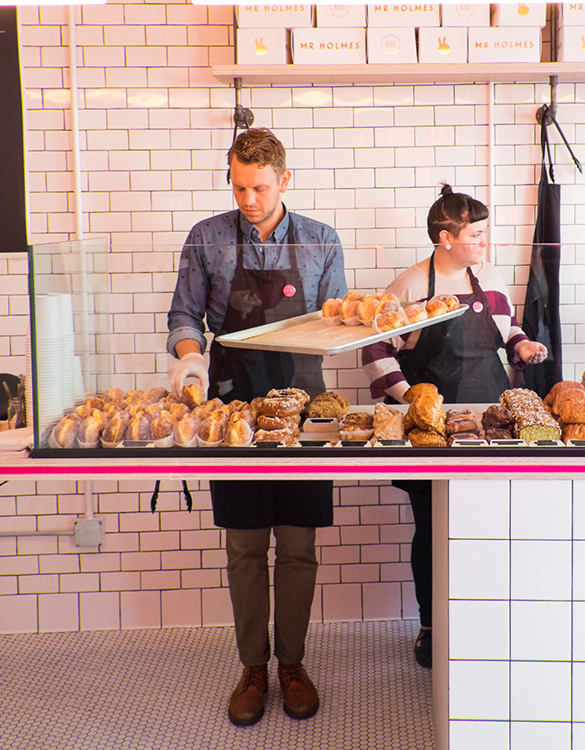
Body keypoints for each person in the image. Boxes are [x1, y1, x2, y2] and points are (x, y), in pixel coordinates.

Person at [166, 128, 347, 726]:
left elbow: (339, 317)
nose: (248, 198)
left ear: (285, 180)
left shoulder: (322, 240)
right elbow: (185, 315)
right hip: (233, 404)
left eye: (260, 187)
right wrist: (191, 359)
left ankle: (292, 663)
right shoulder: (207, 239)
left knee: (297, 544)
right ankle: (253, 666)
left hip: (304, 407)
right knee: (245, 546)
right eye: (239, 186)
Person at [361, 184, 547, 668]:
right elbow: (376, 351)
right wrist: (410, 400)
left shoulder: (489, 279)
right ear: (446, 237)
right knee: (432, 529)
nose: (484, 243)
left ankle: (483, 622)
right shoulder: (408, 287)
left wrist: (523, 346)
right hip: (432, 432)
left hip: (491, 426)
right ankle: (429, 627)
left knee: (487, 528)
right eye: (477, 234)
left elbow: (509, 332)